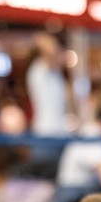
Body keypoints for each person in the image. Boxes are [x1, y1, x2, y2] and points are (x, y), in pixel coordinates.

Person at [27, 31, 71, 162]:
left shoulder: (57, 74)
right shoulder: (38, 69)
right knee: (43, 180)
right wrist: (47, 39)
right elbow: (45, 45)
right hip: (45, 135)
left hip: (61, 135)